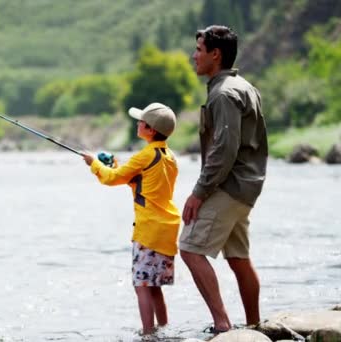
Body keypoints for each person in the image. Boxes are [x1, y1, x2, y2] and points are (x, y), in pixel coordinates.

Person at [179, 25, 268, 333]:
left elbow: (224, 150)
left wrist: (198, 193)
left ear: (215, 55)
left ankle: (223, 325)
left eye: (199, 51)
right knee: (239, 257)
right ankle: (255, 326)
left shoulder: (223, 94)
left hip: (229, 186)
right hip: (246, 187)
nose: (194, 56)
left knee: (190, 248)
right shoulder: (244, 86)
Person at [81, 103, 181, 336]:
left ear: (151, 129)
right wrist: (115, 166)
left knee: (142, 286)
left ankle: (148, 334)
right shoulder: (169, 156)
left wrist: (94, 164)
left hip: (148, 230)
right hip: (167, 228)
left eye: (141, 121)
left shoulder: (145, 155)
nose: (137, 123)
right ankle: (164, 330)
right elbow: (140, 182)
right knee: (155, 286)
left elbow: (111, 180)